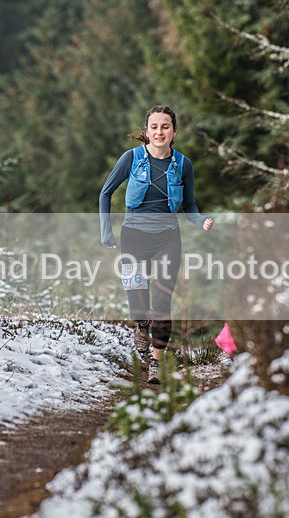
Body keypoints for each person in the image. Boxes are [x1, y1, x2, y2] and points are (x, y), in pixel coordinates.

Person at [99, 105, 213, 384]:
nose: (159, 131)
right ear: (147, 131)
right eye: (154, 127)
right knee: (138, 303)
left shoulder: (184, 164)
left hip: (168, 238)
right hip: (133, 237)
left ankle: (155, 361)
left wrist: (200, 221)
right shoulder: (131, 158)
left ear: (174, 131)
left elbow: (189, 205)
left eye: (165, 126)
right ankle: (141, 326)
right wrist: (106, 232)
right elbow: (105, 193)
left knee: (162, 302)